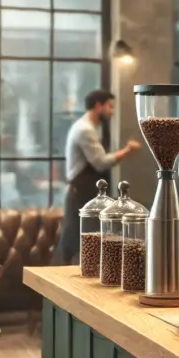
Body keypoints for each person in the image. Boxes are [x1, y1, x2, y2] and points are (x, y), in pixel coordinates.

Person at [53, 90, 142, 265]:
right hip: (80, 193)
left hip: (86, 192)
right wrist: (128, 150)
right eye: (110, 107)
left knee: (83, 240)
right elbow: (100, 162)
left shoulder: (89, 128)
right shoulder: (85, 130)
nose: (112, 112)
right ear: (98, 106)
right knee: (74, 241)